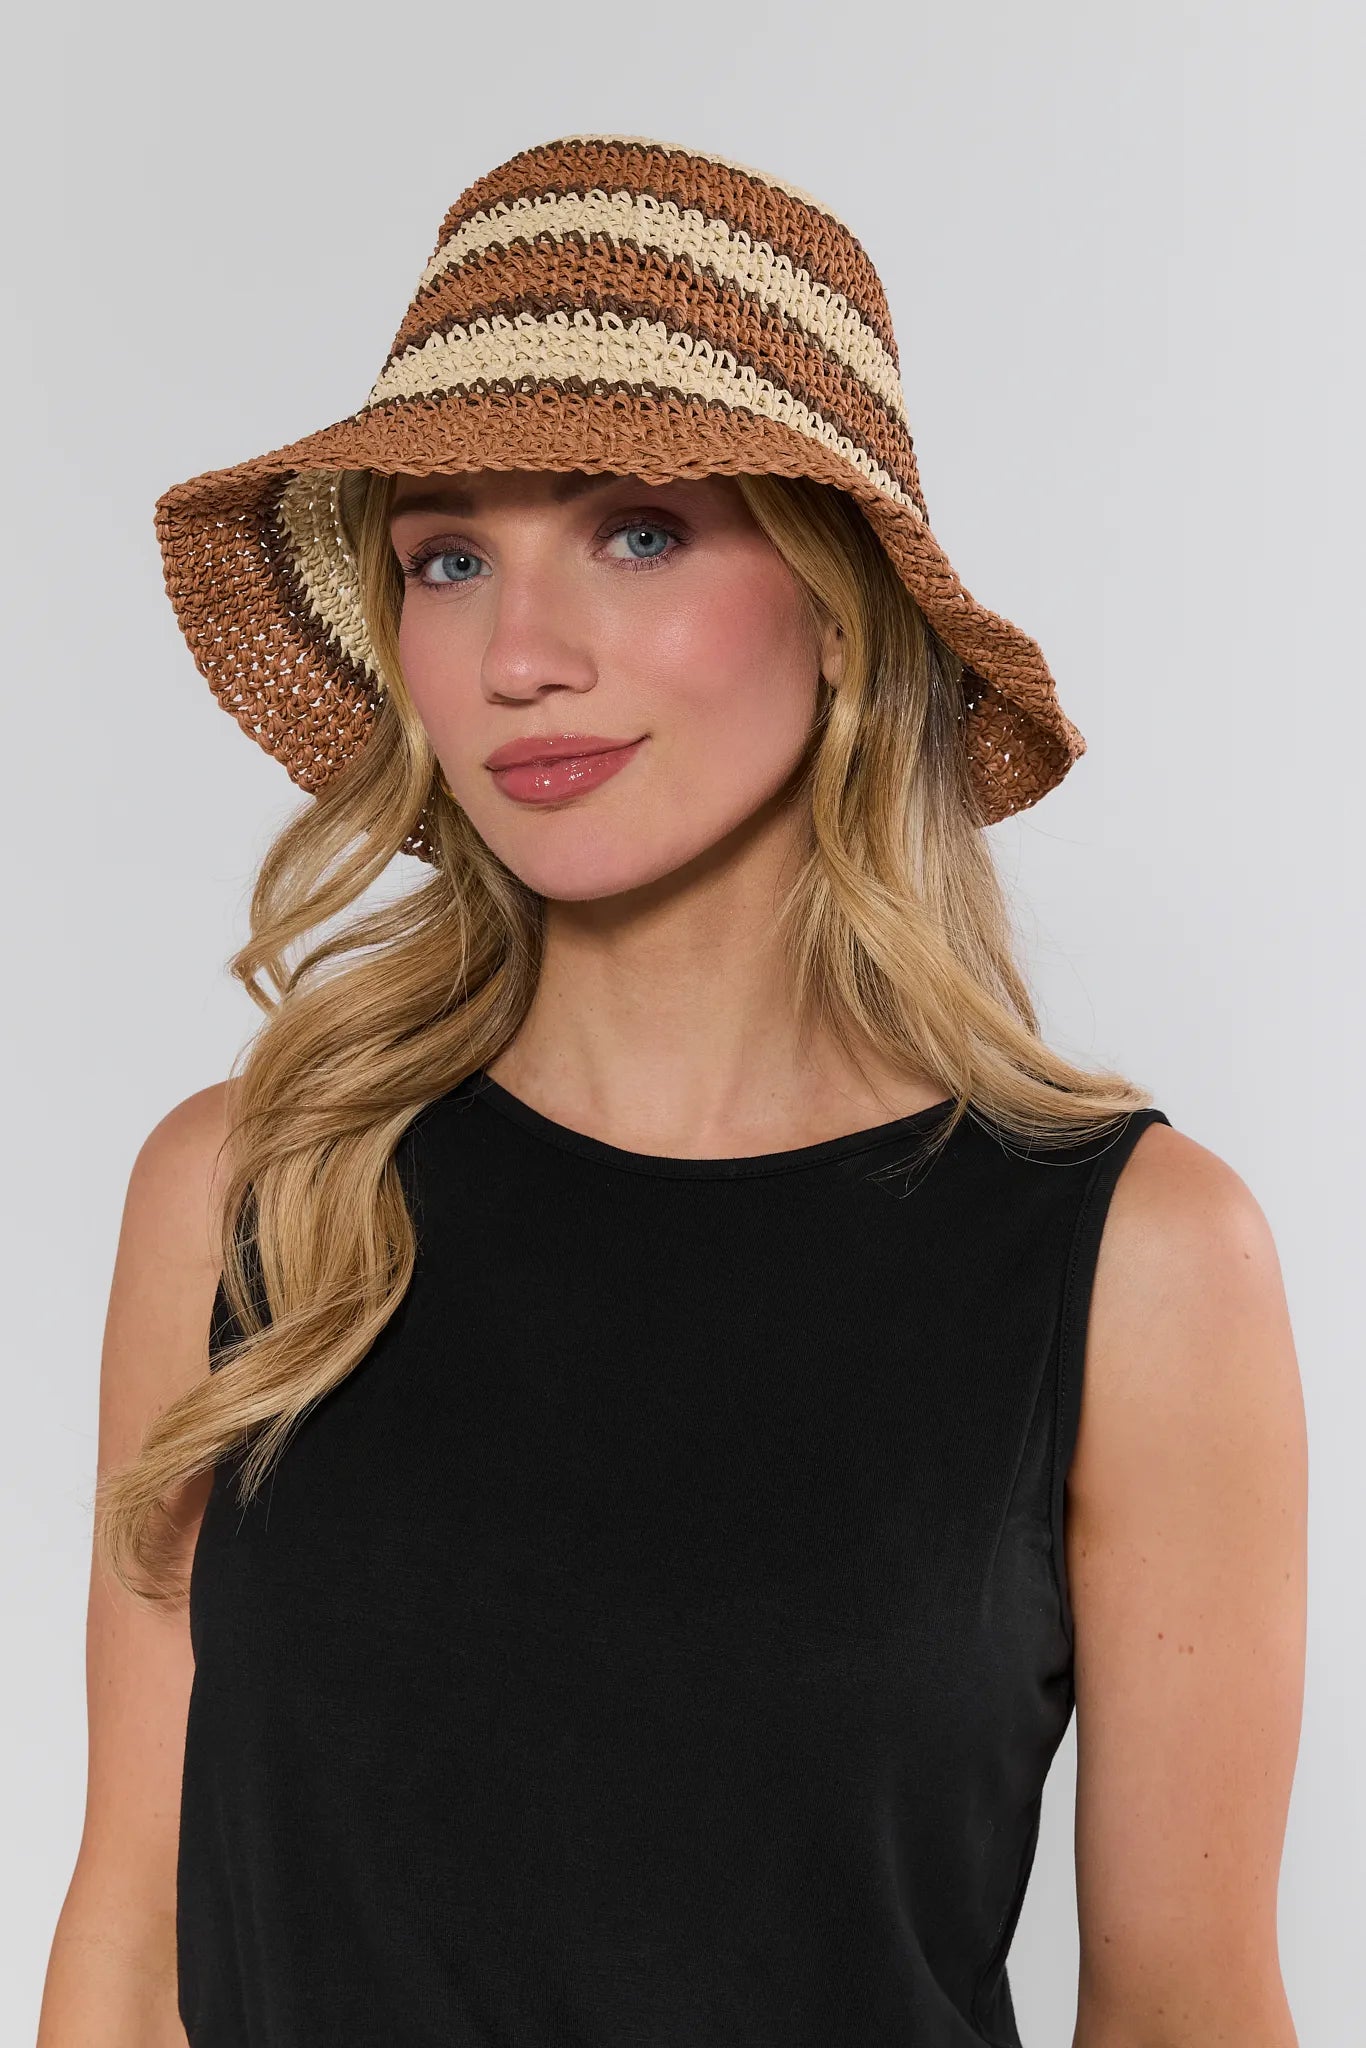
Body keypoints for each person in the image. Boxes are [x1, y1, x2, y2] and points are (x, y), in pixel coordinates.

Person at [38, 134, 1306, 2047]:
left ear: (838, 599)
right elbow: (127, 1948)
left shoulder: (1133, 1259)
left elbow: (1187, 2012)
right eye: (445, 557)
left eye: (635, 529)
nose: (518, 657)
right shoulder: (260, 1192)